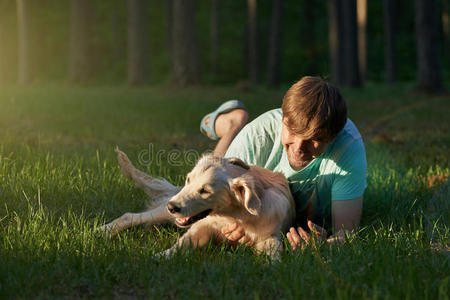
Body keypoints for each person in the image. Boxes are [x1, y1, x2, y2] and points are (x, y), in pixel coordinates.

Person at [199, 76, 367, 250]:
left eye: (313, 139)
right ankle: (232, 125)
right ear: (283, 120)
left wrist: (322, 246)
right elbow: (208, 203)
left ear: (332, 138)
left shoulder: (348, 147)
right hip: (249, 161)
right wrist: (240, 227)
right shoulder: (256, 137)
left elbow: (346, 235)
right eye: (293, 132)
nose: (299, 147)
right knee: (212, 170)